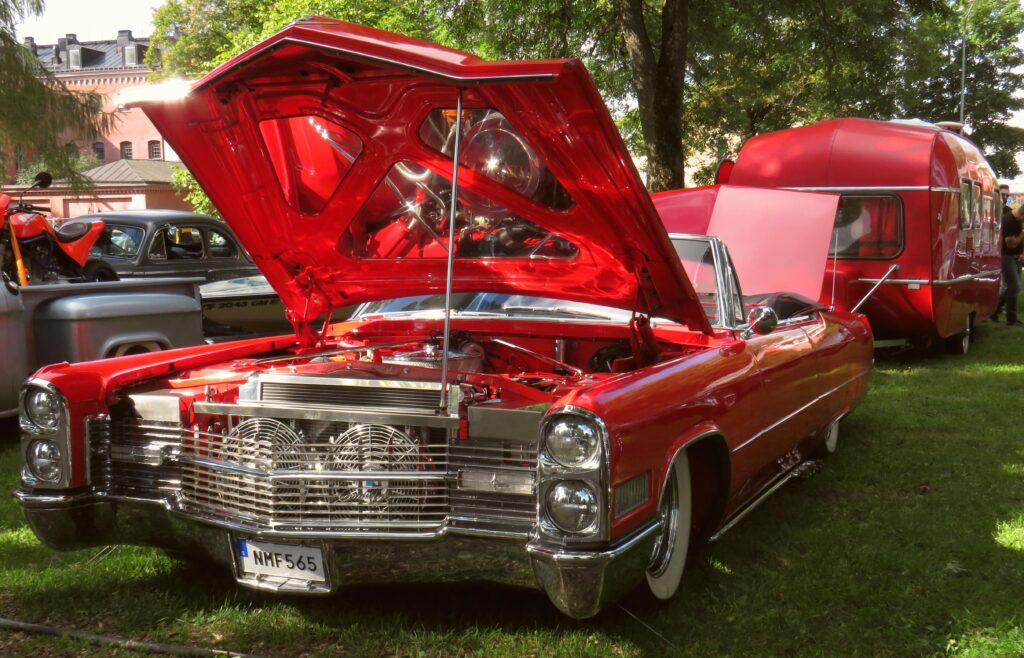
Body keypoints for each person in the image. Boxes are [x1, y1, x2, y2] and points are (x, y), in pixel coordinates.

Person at [996, 199, 1024, 326]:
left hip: (1016, 257)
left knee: (1012, 288)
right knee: (1015, 287)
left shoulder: (1018, 220)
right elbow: (1011, 244)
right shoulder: (1008, 221)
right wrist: (1023, 233)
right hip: (1007, 256)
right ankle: (1011, 320)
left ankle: (993, 309)